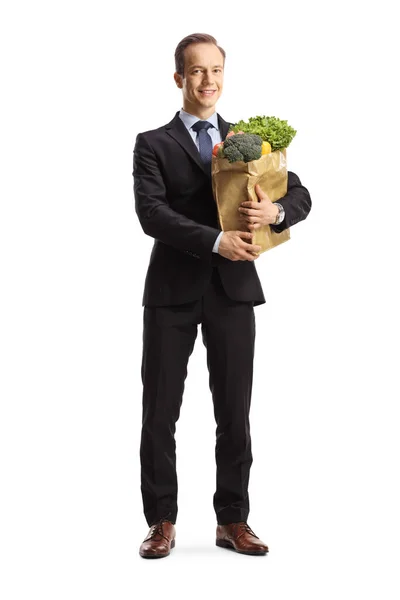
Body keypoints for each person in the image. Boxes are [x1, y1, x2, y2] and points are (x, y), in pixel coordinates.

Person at [132, 33, 312, 559]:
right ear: (179, 78)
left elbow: (299, 192)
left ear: (223, 75)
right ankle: (161, 520)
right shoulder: (153, 142)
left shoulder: (248, 139)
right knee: (159, 410)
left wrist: (273, 213)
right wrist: (215, 239)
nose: (207, 81)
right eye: (196, 72)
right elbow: (152, 214)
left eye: (215, 70)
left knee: (235, 410)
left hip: (233, 293)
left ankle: (232, 520)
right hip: (171, 291)